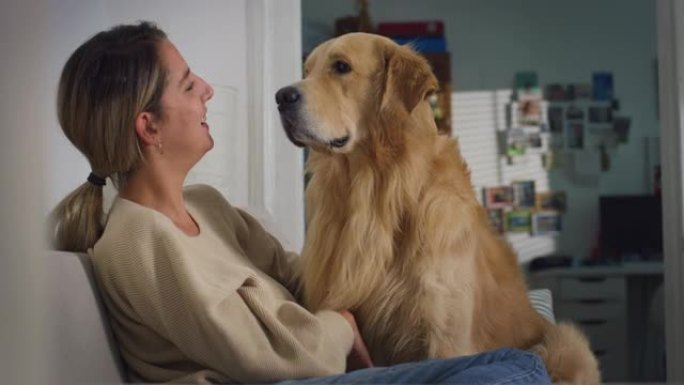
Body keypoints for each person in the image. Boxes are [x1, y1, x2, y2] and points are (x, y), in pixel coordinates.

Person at [50, 21, 551, 385]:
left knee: (522, 361)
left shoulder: (206, 206)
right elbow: (260, 357)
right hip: (283, 380)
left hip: (306, 368)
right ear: (149, 127)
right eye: (187, 84)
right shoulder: (138, 239)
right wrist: (340, 328)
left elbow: (296, 275)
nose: (206, 89)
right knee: (516, 372)